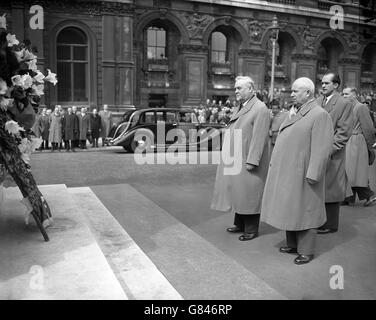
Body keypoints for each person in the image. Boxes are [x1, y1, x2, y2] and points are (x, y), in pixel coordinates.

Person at [261, 77, 334, 265]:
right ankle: (293, 244)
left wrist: (314, 174)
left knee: (306, 212)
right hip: (290, 172)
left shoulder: (319, 114)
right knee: (291, 209)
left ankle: (306, 250)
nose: (291, 94)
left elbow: (322, 148)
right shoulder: (296, 112)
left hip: (304, 173)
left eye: (295, 91)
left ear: (308, 93)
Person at [211, 76, 271, 241]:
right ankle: (240, 224)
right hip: (237, 157)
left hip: (247, 158)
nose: (235, 91)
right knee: (239, 192)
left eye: (239, 88)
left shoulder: (260, 108)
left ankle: (251, 228)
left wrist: (253, 160)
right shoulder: (242, 106)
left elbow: (259, 138)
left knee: (250, 193)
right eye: (236, 88)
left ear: (251, 89)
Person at [316, 72, 353, 234]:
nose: (323, 85)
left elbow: (343, 132)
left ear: (336, 85)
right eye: (322, 83)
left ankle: (330, 224)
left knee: (331, 189)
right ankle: (320, 219)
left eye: (327, 83)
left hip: (332, 154)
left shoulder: (344, 104)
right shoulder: (318, 101)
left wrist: (329, 150)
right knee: (319, 187)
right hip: (317, 152)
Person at [342, 87, 376, 207]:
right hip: (350, 141)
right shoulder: (348, 107)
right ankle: (349, 197)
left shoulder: (361, 107)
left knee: (354, 171)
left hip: (357, 141)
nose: (344, 96)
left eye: (346, 94)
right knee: (352, 171)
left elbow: (368, 127)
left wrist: (371, 145)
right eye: (343, 94)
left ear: (354, 95)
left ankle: (368, 195)